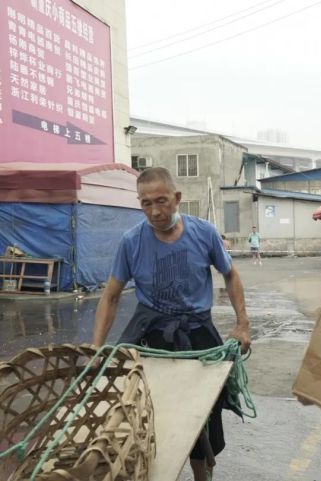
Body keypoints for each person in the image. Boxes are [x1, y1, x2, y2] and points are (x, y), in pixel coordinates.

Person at [92, 167, 251, 481]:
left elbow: (230, 275)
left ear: (177, 198)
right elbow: (110, 297)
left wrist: (242, 324)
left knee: (205, 412)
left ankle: (201, 473)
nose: (155, 211)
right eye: (146, 203)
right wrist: (97, 348)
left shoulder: (203, 232)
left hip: (198, 334)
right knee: (152, 412)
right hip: (152, 336)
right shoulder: (131, 242)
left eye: (162, 201)